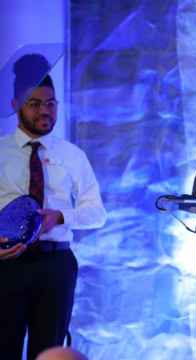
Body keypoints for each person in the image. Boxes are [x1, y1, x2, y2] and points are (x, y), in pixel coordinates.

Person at [0, 54, 106, 360]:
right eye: (35, 104)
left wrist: (61, 216)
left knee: (50, 352)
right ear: (14, 106)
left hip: (56, 265)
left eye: (51, 103)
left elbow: (97, 212)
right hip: (7, 264)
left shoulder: (72, 154)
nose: (45, 111)